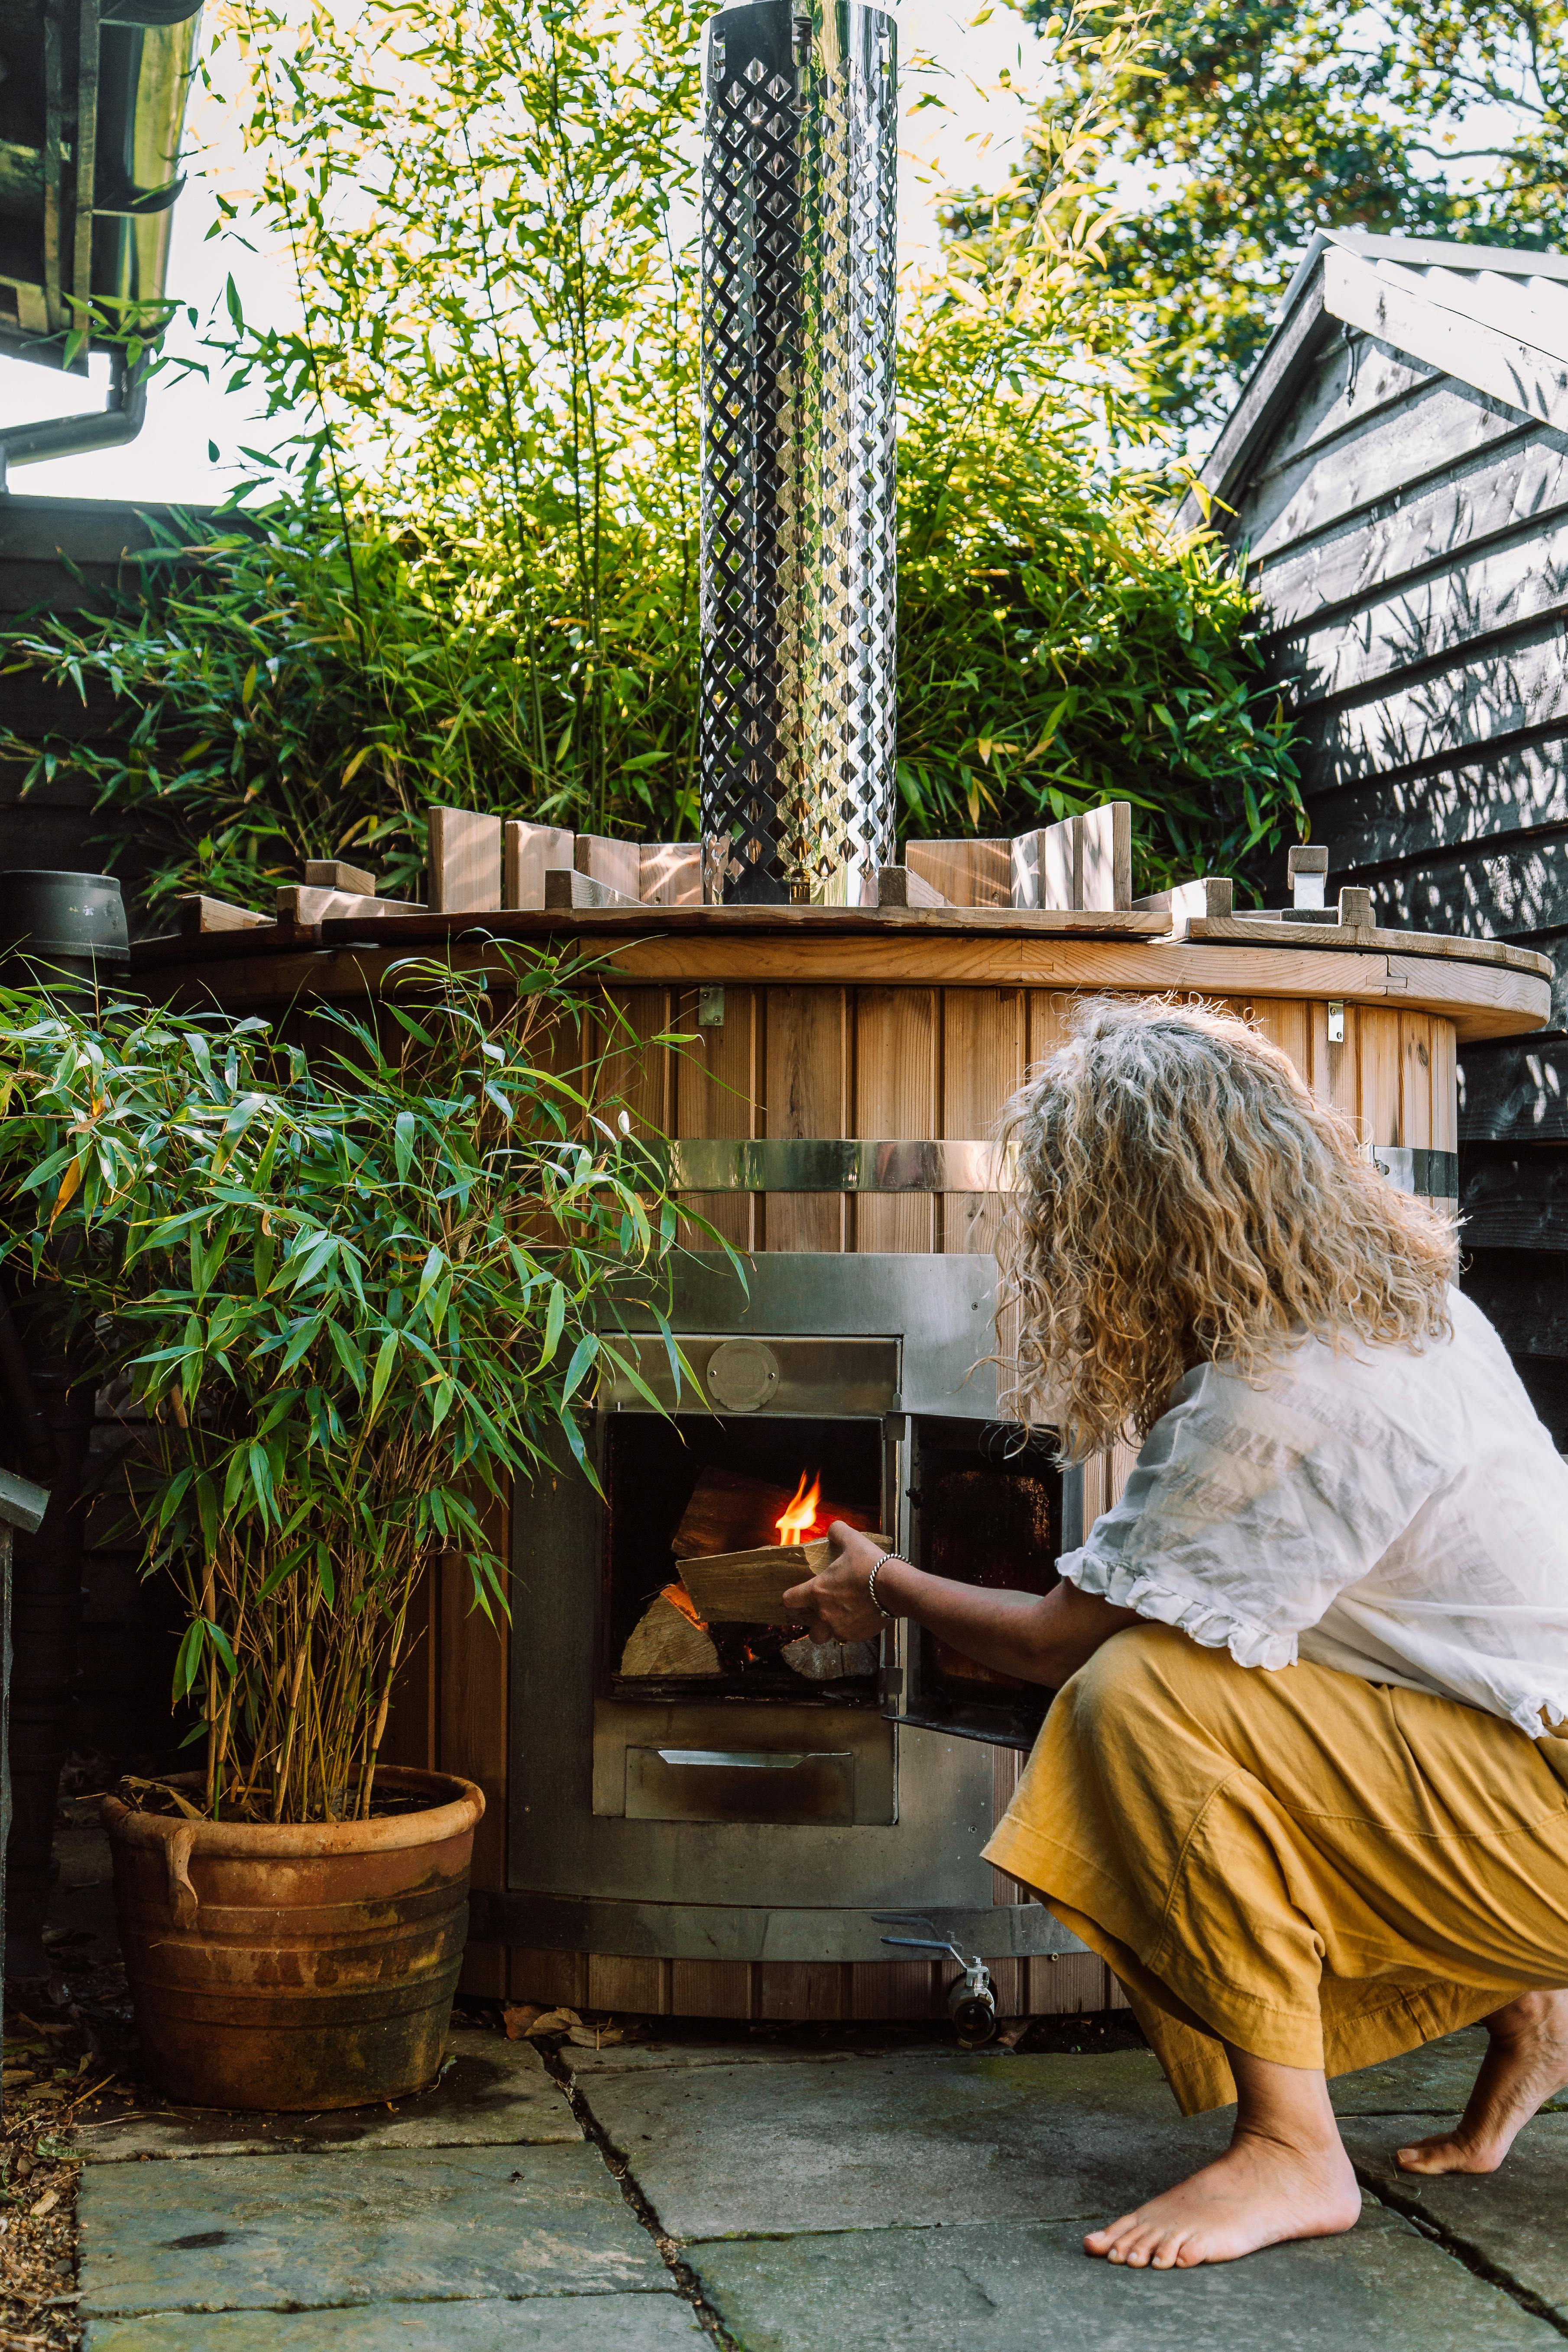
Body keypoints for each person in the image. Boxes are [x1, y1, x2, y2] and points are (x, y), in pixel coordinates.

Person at [783, 995, 1568, 2273]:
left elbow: (1057, 1646)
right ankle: (1532, 2009)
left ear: (1127, 1219)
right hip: (1534, 1756)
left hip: (1543, 1813)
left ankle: (1291, 2150)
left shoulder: (1281, 1391)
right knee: (1241, 1648)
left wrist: (884, 1585)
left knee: (1139, 1698)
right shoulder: (1415, 1309)